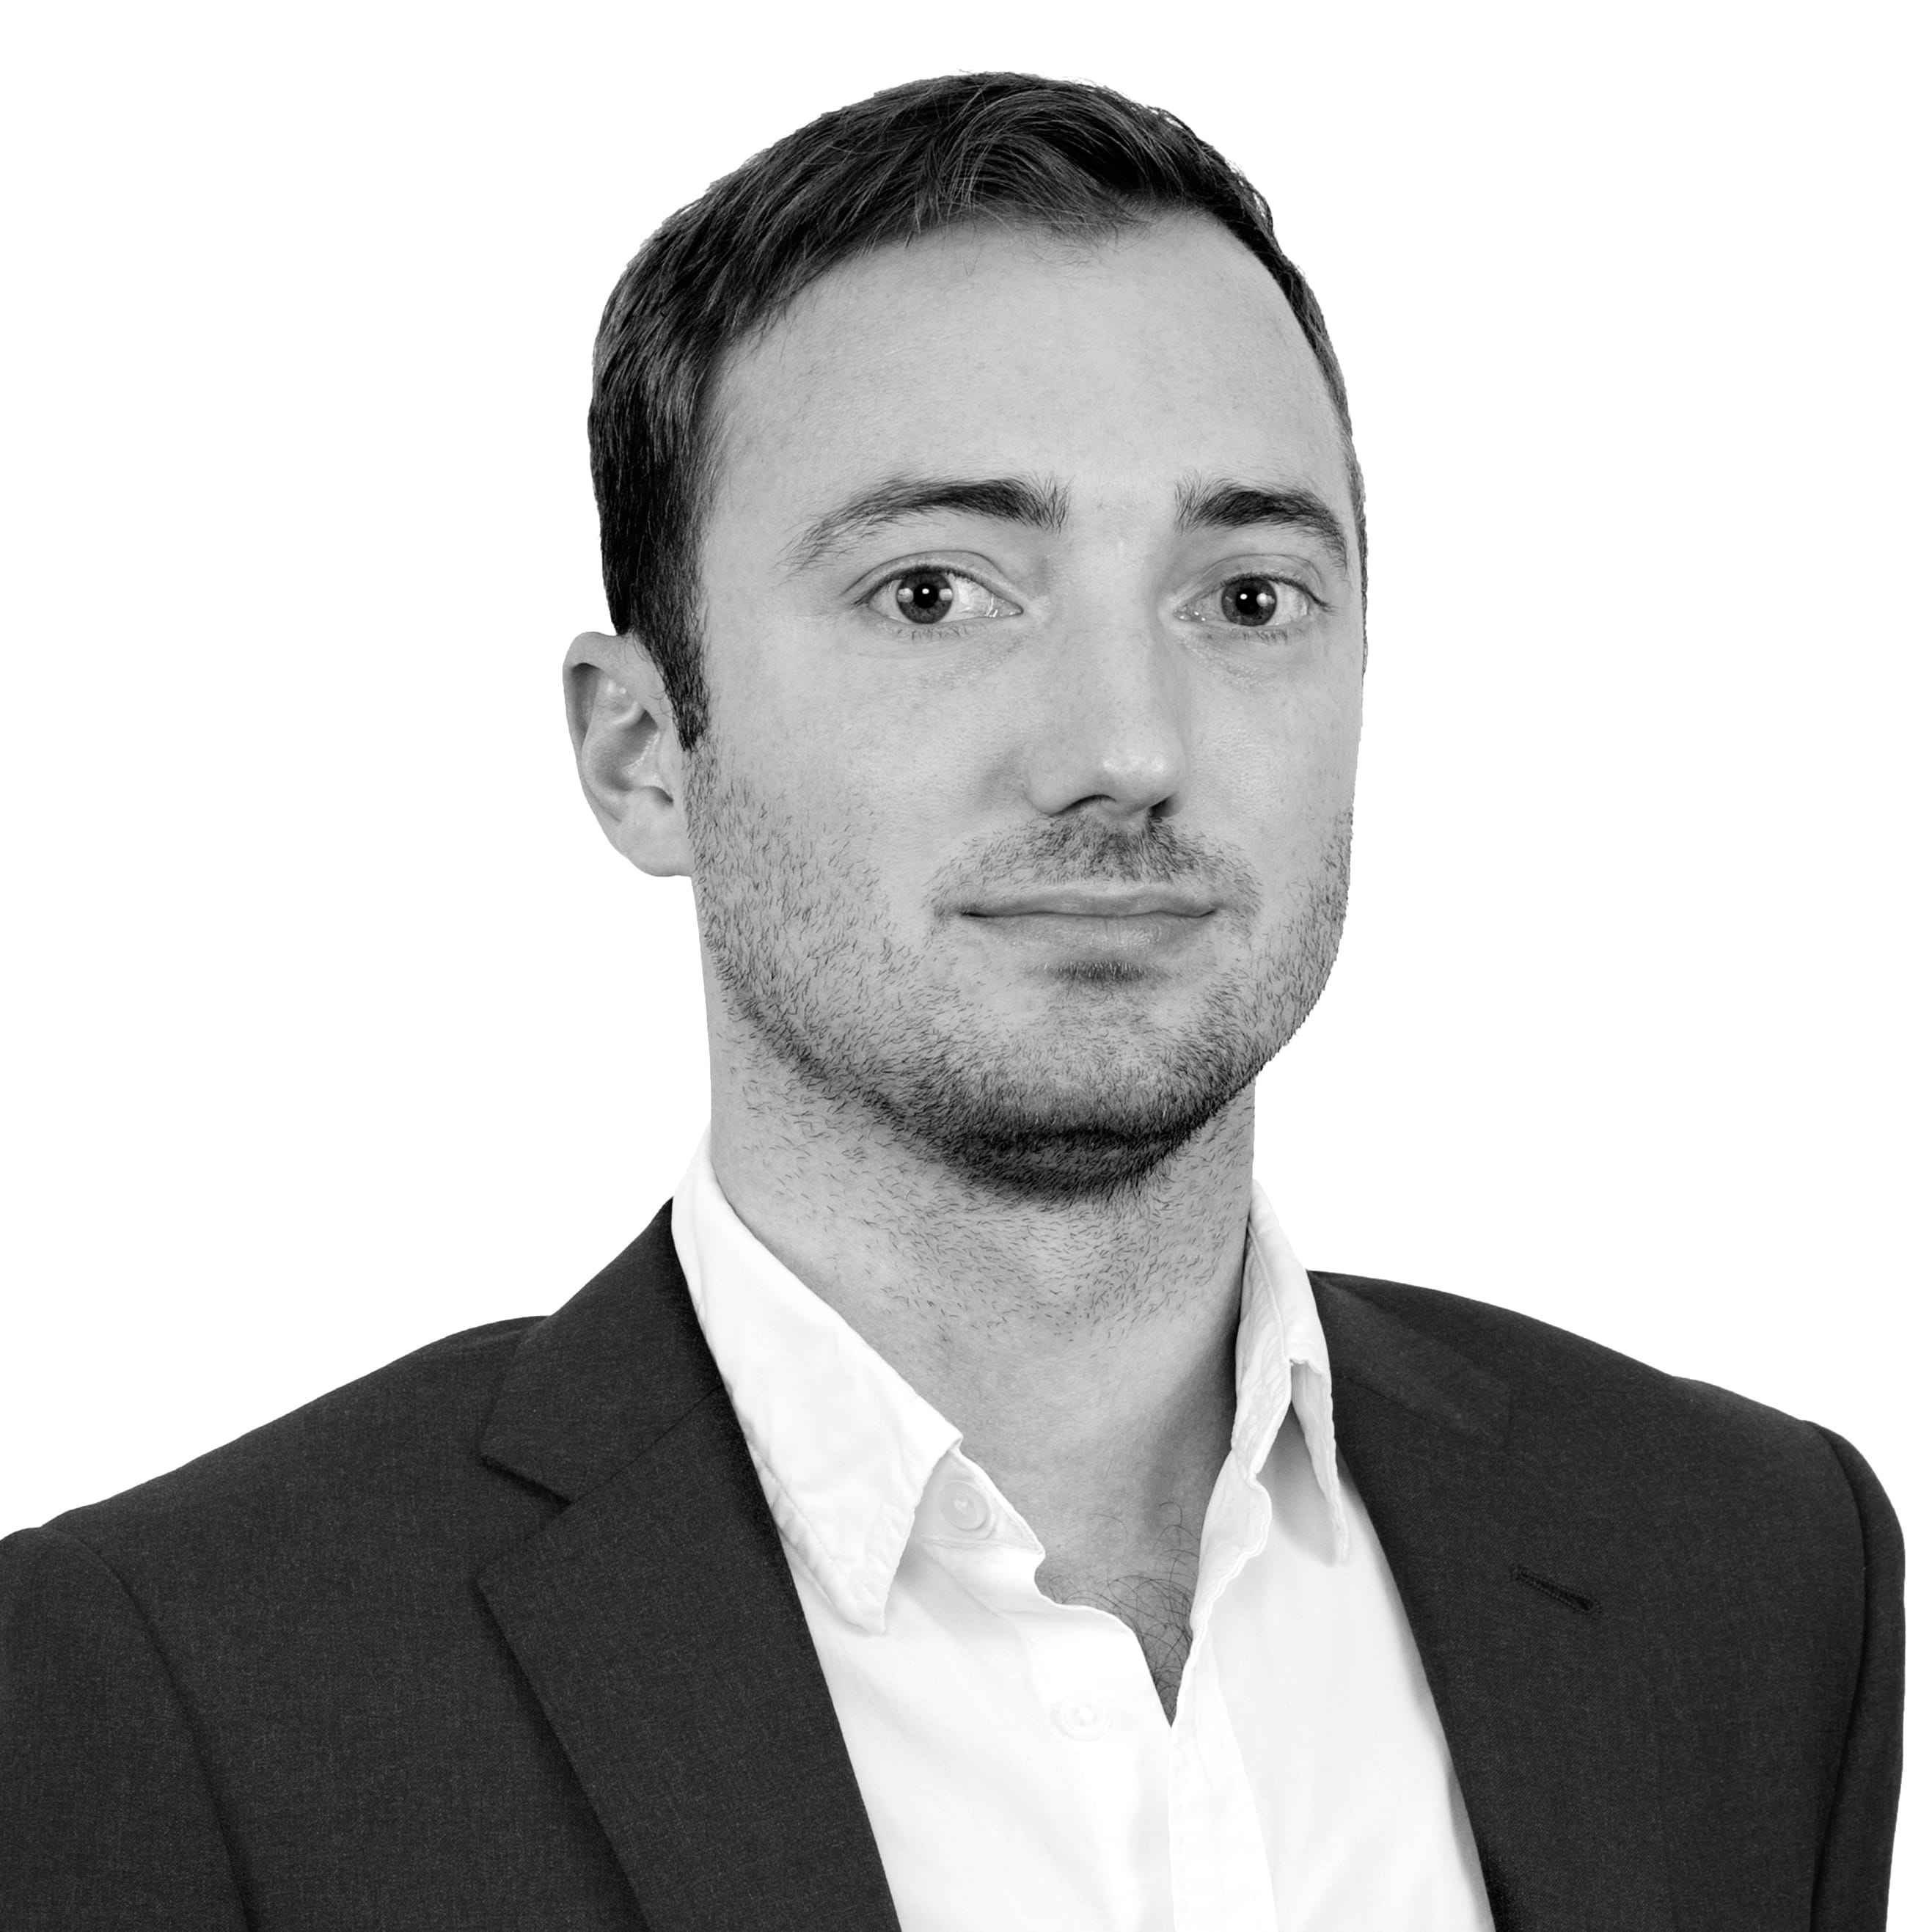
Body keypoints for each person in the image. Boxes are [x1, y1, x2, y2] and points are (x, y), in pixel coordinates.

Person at [0, 71, 1901, 1932]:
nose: (1125, 749)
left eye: (1245, 595)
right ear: (642, 750)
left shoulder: (1749, 1567)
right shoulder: (173, 1687)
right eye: (934, 591)